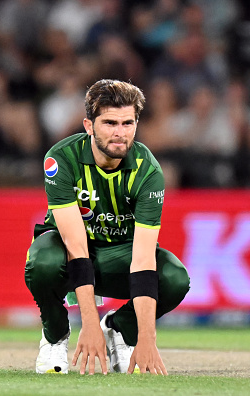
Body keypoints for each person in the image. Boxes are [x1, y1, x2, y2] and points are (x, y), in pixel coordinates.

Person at [24, 79, 190, 375]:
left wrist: (147, 338)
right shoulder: (61, 160)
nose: (120, 133)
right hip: (69, 253)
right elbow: (76, 246)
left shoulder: (148, 171)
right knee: (42, 262)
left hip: (120, 256)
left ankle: (120, 329)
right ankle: (55, 337)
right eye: (110, 122)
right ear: (88, 125)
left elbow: (142, 258)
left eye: (128, 123)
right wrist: (88, 325)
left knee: (175, 278)